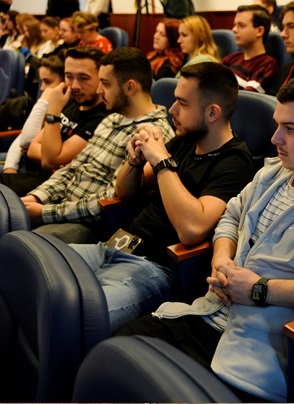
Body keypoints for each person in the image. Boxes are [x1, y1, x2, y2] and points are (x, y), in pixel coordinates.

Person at [116, 72, 294, 402]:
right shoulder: (276, 171)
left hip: (260, 351)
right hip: (210, 315)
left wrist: (259, 289)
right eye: (277, 124)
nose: (275, 138)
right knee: (119, 351)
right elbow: (230, 217)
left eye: (290, 129)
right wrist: (222, 259)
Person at [68, 62, 255, 333]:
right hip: (115, 245)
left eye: (183, 103)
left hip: (152, 268)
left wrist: (162, 161)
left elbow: (192, 229)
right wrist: (134, 160)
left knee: (76, 317)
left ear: (213, 112)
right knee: (30, 272)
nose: (172, 110)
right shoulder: (184, 140)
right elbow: (125, 191)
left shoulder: (234, 162)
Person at [21, 47, 175, 244]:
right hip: (62, 206)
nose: (99, 90)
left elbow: (111, 199)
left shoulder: (154, 135)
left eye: (105, 84)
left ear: (130, 87)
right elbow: (73, 168)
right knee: (9, 217)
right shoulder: (111, 119)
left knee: (23, 245)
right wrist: (37, 197)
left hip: (91, 224)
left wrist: (45, 212)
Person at [0, 50, 109, 196]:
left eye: (83, 78)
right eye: (69, 76)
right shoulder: (71, 100)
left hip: (48, 184)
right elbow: (32, 148)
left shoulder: (102, 117)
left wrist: (53, 111)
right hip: (28, 168)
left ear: (101, 78)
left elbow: (49, 161)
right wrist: (53, 153)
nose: (75, 85)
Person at [223, 4, 279, 93]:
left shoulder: (267, 65)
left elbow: (248, 98)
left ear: (259, 31)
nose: (234, 29)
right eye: (235, 25)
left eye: (241, 25)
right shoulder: (231, 58)